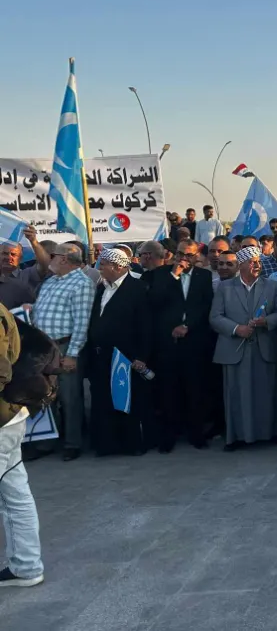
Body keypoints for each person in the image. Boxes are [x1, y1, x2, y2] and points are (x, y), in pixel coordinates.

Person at [0, 302, 58, 588]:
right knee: (15, 494)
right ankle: (26, 566)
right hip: (9, 418)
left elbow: (1, 370)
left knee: (15, 495)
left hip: (2, 420)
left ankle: (26, 565)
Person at [143, 239, 215, 452]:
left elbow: (205, 306)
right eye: (181, 254)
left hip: (193, 340)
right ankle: (169, 436)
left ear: (196, 256)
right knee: (168, 390)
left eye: (189, 255)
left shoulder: (204, 276)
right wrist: (174, 275)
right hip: (167, 342)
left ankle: (196, 434)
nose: (184, 258)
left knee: (194, 388)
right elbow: (154, 302)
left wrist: (187, 326)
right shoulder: (161, 274)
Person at [209, 246, 277, 451]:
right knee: (237, 395)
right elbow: (215, 317)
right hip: (235, 348)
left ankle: (268, 434)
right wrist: (236, 329)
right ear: (241, 265)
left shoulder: (272, 285)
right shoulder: (225, 288)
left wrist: (266, 321)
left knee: (266, 393)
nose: (257, 265)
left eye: (258, 261)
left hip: (264, 347)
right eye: (252, 262)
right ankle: (238, 437)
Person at [84, 248, 152, 456]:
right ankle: (106, 444)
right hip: (101, 355)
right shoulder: (102, 287)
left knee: (126, 401)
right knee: (103, 400)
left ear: (117, 266)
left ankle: (131, 445)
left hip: (125, 357)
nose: (100, 268)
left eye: (103, 264)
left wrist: (142, 356)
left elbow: (146, 326)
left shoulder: (137, 288)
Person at [30, 243, 95, 460]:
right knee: (45, 395)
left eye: (53, 256)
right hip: (44, 348)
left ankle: (72, 443)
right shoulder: (51, 281)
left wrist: (72, 354)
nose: (50, 259)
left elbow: (82, 323)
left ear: (64, 259)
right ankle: (46, 443)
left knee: (70, 397)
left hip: (64, 346)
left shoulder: (82, 284)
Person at [0, 228, 49, 309]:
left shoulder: (27, 275)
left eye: (13, 254)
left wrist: (34, 241)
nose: (9, 257)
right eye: (5, 253)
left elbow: (45, 266)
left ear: (21, 258)